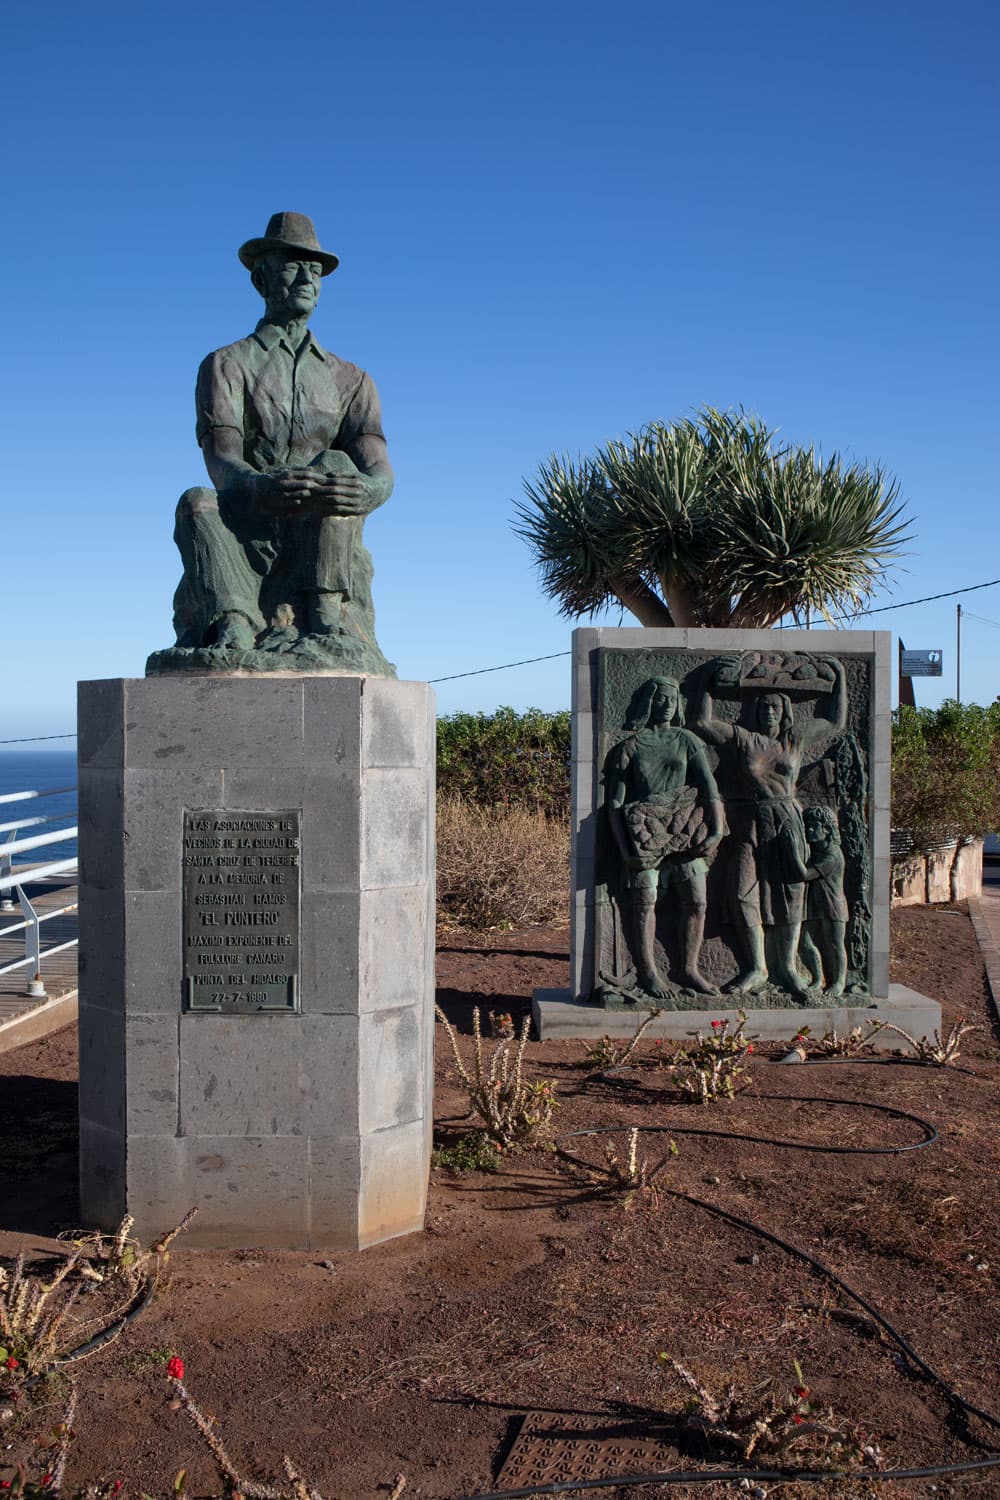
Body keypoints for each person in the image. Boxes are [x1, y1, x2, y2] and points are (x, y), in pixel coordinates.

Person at [170, 212, 394, 665]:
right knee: (196, 500)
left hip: (320, 534)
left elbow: (379, 469)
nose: (307, 277)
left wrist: (369, 490)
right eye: (293, 264)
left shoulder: (353, 379)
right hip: (248, 522)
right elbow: (221, 460)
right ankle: (234, 618)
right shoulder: (225, 364)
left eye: (315, 269)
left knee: (336, 463)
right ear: (260, 278)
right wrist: (259, 486)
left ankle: (325, 613)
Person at [694, 656, 846, 1001]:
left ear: (785, 712)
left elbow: (835, 722)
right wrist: (706, 678)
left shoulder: (794, 739)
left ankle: (789, 969)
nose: (769, 713)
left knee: (791, 896)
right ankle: (758, 967)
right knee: (742, 891)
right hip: (750, 823)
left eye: (776, 707)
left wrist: (838, 675)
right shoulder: (744, 739)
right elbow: (702, 721)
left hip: (787, 823)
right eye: (763, 707)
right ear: (754, 711)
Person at [604, 677, 724, 997]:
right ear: (649, 703)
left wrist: (716, 830)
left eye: (672, 700)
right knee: (644, 902)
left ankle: (688, 969)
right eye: (661, 700)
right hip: (644, 836)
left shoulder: (687, 740)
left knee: (697, 900)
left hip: (686, 832)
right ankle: (649, 973)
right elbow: (615, 804)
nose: (667, 705)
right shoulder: (630, 747)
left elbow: (710, 788)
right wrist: (625, 849)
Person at [795, 805, 849, 997]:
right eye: (807, 826)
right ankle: (818, 979)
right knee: (805, 943)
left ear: (827, 829)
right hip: (814, 905)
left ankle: (839, 982)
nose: (809, 830)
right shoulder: (816, 851)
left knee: (834, 944)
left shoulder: (832, 855)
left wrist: (792, 849)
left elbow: (804, 874)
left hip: (833, 906)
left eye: (813, 826)